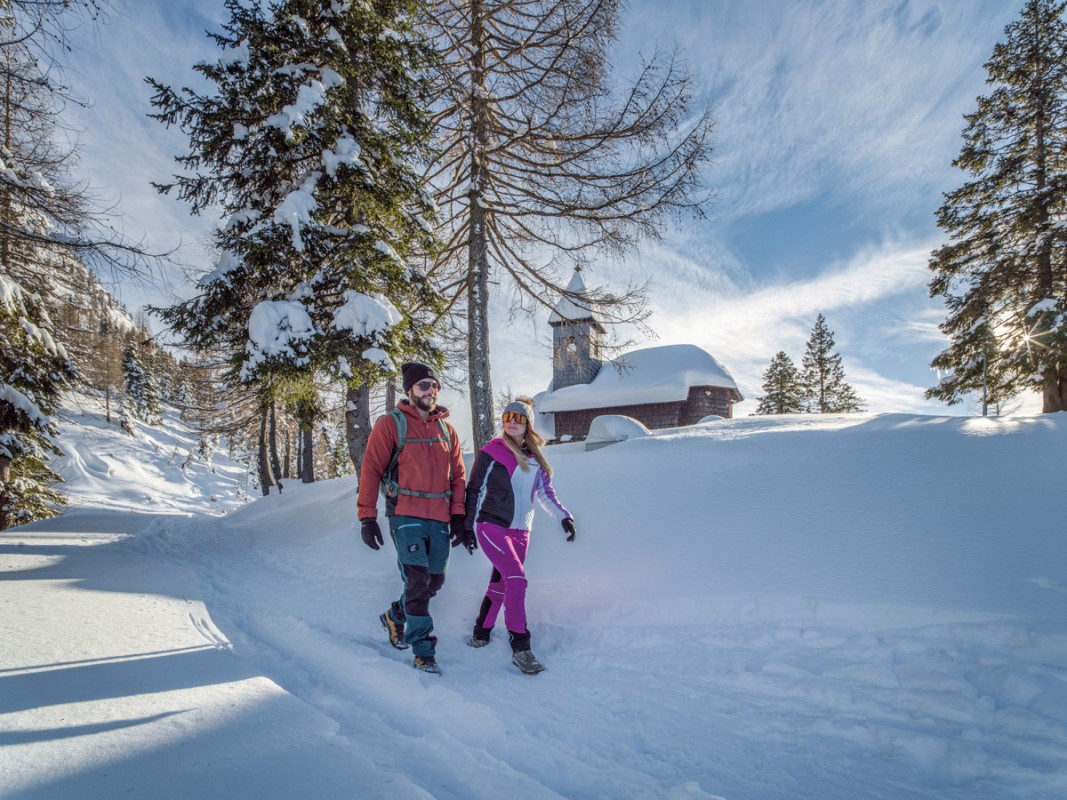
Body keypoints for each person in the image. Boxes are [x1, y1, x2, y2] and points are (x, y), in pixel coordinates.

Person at [357, 362, 474, 675]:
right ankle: (423, 651)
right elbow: (370, 470)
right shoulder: (390, 424)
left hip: (439, 517)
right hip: (405, 513)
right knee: (418, 581)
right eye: (424, 385)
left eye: (435, 386)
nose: (431, 391)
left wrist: (459, 515)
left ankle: (395, 616)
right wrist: (367, 516)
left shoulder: (447, 431)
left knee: (434, 581)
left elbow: (459, 476)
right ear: (409, 390)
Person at [464, 399, 576, 674]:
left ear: (527, 423)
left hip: (521, 532)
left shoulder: (535, 458)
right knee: (517, 580)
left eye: (518, 417)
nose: (511, 421)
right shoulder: (492, 451)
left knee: (501, 585)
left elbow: (545, 494)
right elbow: (474, 489)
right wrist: (466, 526)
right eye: (507, 416)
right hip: (492, 526)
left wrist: (564, 516)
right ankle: (521, 647)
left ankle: (481, 633)